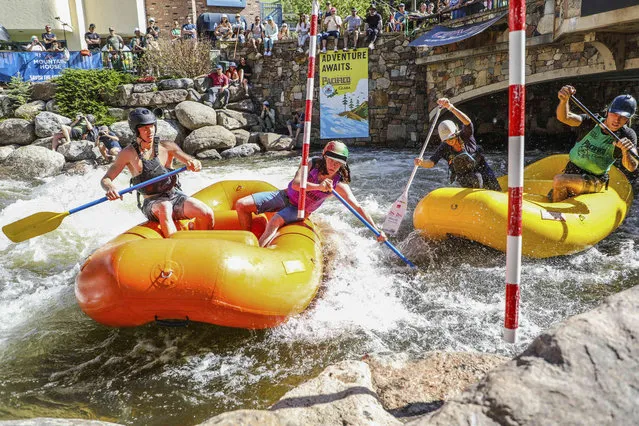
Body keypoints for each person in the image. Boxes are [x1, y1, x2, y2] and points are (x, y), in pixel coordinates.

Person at [235, 141, 387, 247]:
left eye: (339, 163)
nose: (335, 166)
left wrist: (376, 230)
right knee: (241, 205)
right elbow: (295, 184)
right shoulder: (311, 163)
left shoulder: (339, 185)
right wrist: (319, 187)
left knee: (274, 221)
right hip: (284, 196)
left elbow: (358, 207)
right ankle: (247, 237)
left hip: (300, 210)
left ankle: (258, 251)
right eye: (332, 160)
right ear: (324, 157)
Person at [101, 108, 214, 238]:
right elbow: (106, 179)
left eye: (152, 127)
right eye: (144, 129)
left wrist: (194, 163)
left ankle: (202, 242)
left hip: (175, 196)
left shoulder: (167, 146)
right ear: (136, 131)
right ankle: (175, 246)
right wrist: (110, 188)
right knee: (165, 207)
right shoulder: (128, 154)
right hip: (152, 203)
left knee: (206, 213)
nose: (150, 131)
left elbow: (190, 160)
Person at [550, 86, 637, 202]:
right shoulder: (592, 121)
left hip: (596, 180)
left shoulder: (627, 135)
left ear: (628, 119)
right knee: (559, 184)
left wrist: (626, 152)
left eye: (623, 117)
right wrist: (564, 101)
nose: (617, 120)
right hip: (572, 171)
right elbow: (565, 118)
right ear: (608, 111)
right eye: (615, 114)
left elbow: (632, 167)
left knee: (560, 180)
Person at [414, 98, 502, 190]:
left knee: (492, 185)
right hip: (465, 177)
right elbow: (432, 162)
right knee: (474, 179)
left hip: (482, 169)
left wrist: (450, 107)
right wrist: (422, 163)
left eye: (451, 138)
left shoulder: (465, 135)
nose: (450, 141)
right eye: (447, 140)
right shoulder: (444, 147)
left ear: (456, 133)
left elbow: (467, 122)